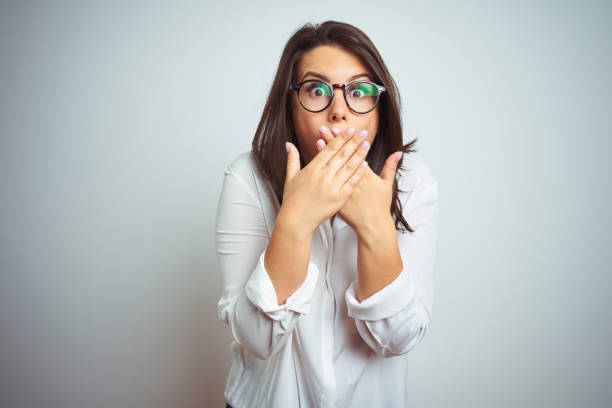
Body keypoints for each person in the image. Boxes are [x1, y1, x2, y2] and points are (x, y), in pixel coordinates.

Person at [215, 20, 438, 408]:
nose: (339, 112)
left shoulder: (412, 182)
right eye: (316, 90)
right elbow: (257, 338)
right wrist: (296, 218)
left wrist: (375, 225)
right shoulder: (248, 177)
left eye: (359, 91)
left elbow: (398, 339)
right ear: (290, 103)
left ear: (379, 107)